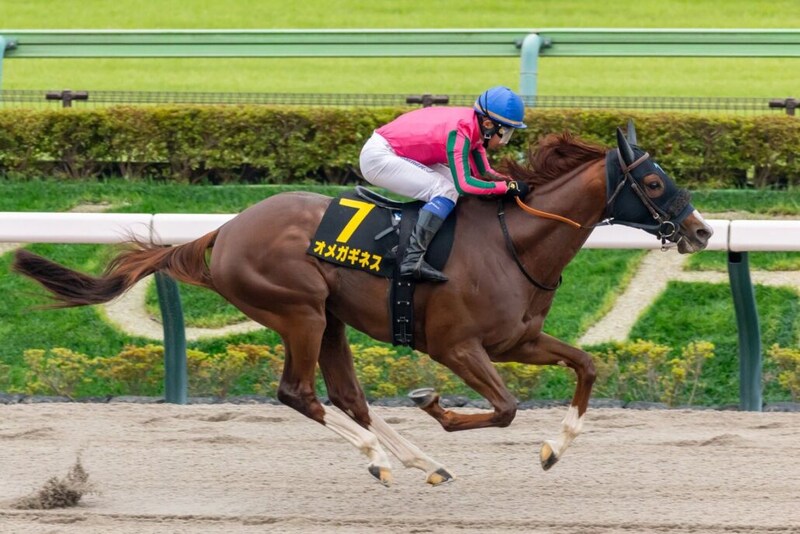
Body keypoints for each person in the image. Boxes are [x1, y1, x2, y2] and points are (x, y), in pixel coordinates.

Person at [359, 85, 530, 283]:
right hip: (379, 157)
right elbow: (464, 185)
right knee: (446, 190)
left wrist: (511, 183)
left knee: (450, 186)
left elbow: (485, 173)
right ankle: (411, 259)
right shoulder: (460, 131)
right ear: (489, 124)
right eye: (506, 133)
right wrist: (505, 188)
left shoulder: (475, 129)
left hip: (398, 151)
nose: (504, 141)